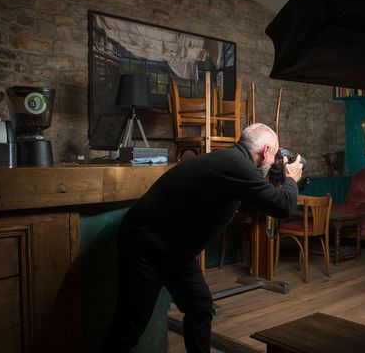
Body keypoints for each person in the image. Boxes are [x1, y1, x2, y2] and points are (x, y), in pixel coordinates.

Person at [101, 123, 303, 352]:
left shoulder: (232, 161)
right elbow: (283, 206)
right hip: (146, 246)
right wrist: (291, 179)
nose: (275, 158)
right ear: (265, 151)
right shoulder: (236, 164)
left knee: (200, 307)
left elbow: (252, 205)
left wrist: (278, 182)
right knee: (129, 328)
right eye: (275, 154)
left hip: (174, 247)